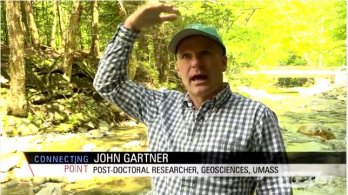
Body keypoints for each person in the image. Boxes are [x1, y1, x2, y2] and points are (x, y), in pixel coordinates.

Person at [93, 3, 292, 195]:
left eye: (204, 53)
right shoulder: (159, 106)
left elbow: (276, 188)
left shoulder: (257, 117)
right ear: (178, 69)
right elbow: (107, 83)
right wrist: (131, 26)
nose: (196, 63)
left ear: (223, 62)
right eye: (186, 56)